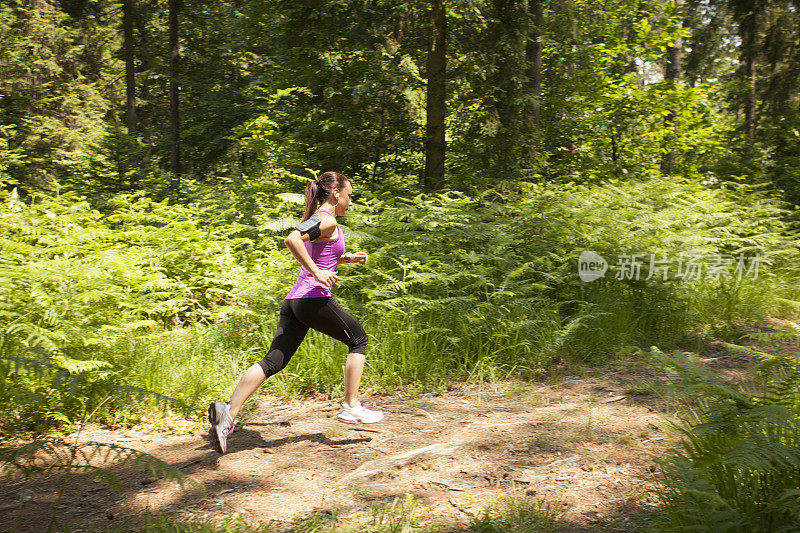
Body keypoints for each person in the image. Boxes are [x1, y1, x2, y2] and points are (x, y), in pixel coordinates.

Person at [207, 171, 383, 454]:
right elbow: (292, 240)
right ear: (336, 194)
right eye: (349, 196)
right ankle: (351, 407)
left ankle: (227, 413)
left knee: (273, 361)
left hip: (295, 302)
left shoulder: (319, 219)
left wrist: (346, 258)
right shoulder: (326, 218)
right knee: (358, 340)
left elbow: (318, 250)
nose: (351, 202)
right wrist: (317, 272)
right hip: (312, 299)